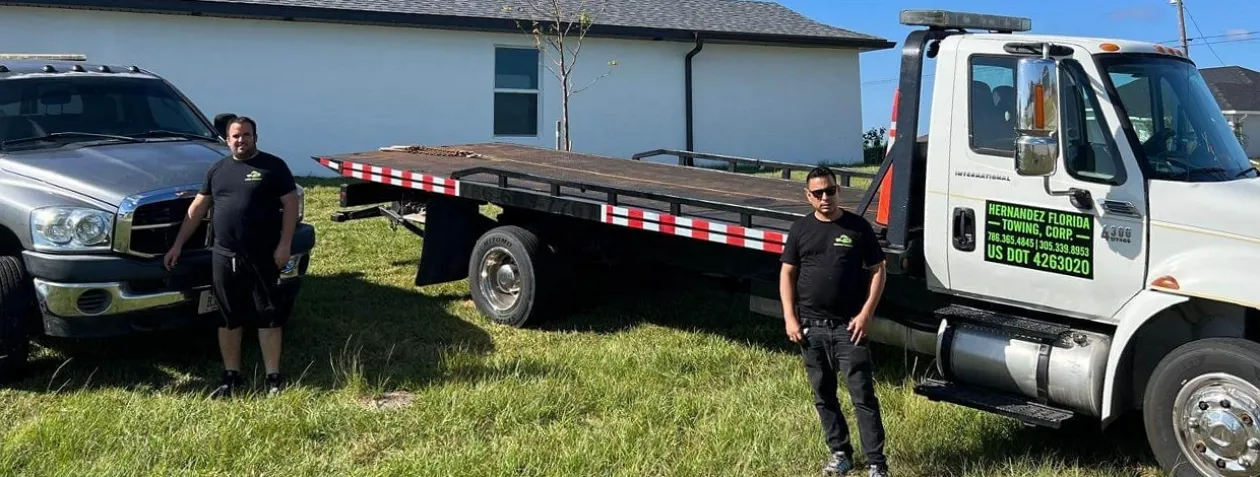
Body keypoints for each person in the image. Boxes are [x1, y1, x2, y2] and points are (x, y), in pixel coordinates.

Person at [165, 115, 300, 399]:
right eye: (236, 136)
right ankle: (231, 376)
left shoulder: (273, 167)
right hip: (224, 256)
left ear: (256, 137)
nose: (242, 140)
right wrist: (177, 244)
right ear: (227, 140)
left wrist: (285, 244)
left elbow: (290, 204)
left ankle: (273, 377)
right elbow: (197, 209)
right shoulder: (218, 170)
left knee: (268, 316)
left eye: (247, 135)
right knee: (228, 318)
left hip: (263, 255)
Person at [779, 165, 890, 477]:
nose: (825, 197)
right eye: (818, 193)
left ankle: (876, 464)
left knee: (862, 396)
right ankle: (840, 453)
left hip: (849, 328)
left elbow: (879, 269)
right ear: (808, 196)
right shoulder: (800, 230)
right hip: (810, 328)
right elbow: (787, 272)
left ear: (838, 190)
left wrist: (866, 313)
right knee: (824, 395)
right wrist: (789, 316)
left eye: (830, 190)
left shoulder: (857, 227)